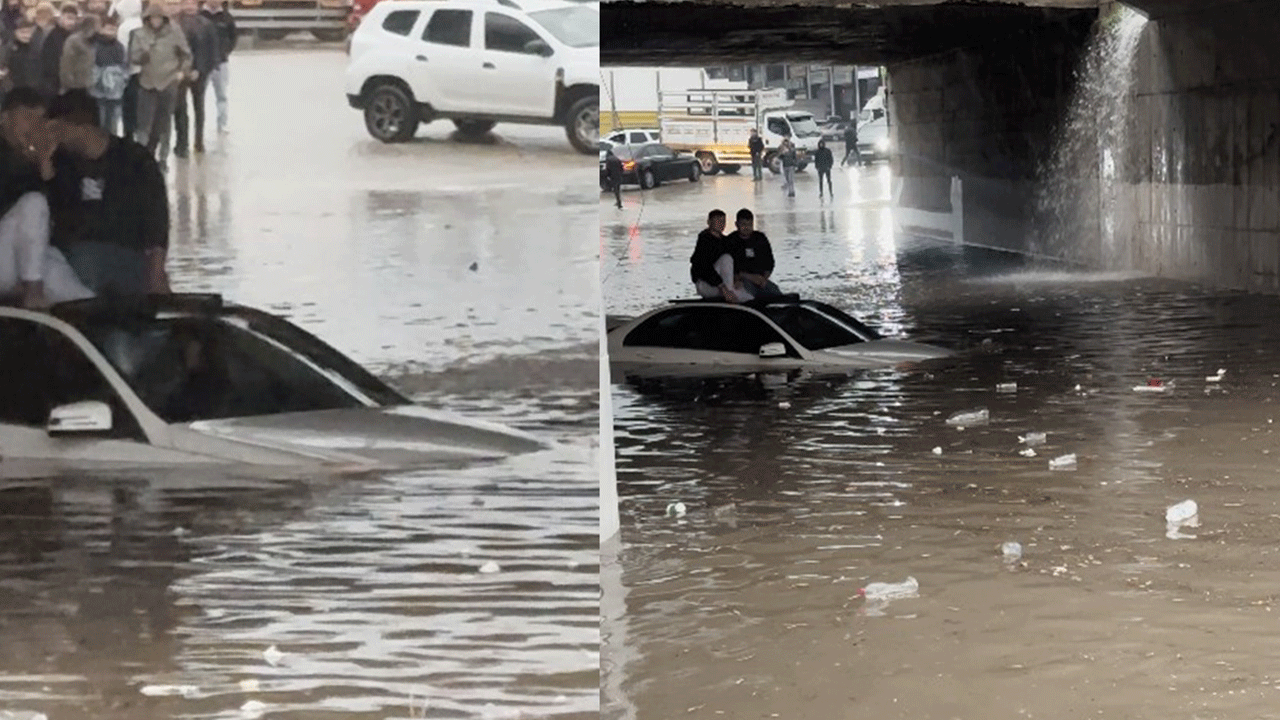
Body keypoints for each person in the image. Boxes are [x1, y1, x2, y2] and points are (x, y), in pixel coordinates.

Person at [44, 89, 170, 295]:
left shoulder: (134, 159)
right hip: (73, 255)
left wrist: (156, 272)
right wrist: (45, 167)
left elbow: (157, 220)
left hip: (126, 254)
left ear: (75, 126)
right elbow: (55, 216)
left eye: (57, 130)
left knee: (86, 261)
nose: (55, 138)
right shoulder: (60, 163)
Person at [0, 87, 94, 308]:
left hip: (26, 260)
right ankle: (33, 293)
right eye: (27, 116)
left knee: (72, 289)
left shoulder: (47, 160)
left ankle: (100, 331)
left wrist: (44, 164)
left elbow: (62, 218)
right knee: (33, 203)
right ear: (4, 118)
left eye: (40, 118)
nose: (34, 125)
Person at [130, 0, 189, 168]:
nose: (155, 21)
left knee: (164, 123)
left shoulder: (175, 32)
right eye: (152, 18)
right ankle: (143, 156)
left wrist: (182, 72)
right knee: (144, 124)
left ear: (164, 19)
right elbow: (133, 57)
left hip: (168, 81)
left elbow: (186, 55)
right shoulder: (139, 34)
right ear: (147, 19)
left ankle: (163, 157)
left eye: (159, 18)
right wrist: (143, 55)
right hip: (147, 83)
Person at [172, 0, 216, 156]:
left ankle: (199, 141)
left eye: (193, 3)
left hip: (200, 72)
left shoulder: (206, 24)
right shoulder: (175, 24)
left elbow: (211, 50)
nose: (189, 7)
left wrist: (200, 69)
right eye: (186, 3)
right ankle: (181, 143)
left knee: (199, 107)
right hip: (180, 72)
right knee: (180, 108)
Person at [689, 209, 748, 303]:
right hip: (707, 284)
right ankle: (729, 293)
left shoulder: (725, 242)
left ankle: (732, 294)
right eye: (718, 221)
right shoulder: (704, 241)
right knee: (726, 258)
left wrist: (737, 278)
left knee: (747, 295)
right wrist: (723, 288)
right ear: (709, 222)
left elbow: (736, 262)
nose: (721, 224)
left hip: (722, 284)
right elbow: (704, 268)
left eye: (723, 221)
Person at [724, 208, 781, 298]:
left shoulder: (760, 238)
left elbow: (769, 262)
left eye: (750, 224)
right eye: (743, 224)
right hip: (741, 281)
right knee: (750, 294)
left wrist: (764, 279)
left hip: (760, 280)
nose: (747, 227)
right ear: (736, 224)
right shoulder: (730, 241)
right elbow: (728, 268)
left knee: (776, 292)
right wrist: (744, 277)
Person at [89, 14, 128, 134]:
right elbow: (90, 66)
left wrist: (121, 79)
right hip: (98, 92)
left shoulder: (119, 47)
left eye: (114, 29)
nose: (111, 32)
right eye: (108, 29)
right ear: (101, 29)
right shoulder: (94, 45)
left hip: (115, 93)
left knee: (113, 125)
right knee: (99, 123)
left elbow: (125, 67)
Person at [198, 0, 231, 134]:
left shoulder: (226, 17)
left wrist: (224, 52)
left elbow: (233, 37)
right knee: (199, 97)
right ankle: (199, 126)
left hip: (221, 62)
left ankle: (222, 124)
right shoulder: (199, 15)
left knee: (222, 95)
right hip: (203, 63)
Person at [114, 0, 142, 139]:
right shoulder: (142, 24)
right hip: (143, 72)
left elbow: (122, 50)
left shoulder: (124, 27)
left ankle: (128, 135)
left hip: (129, 72)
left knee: (128, 108)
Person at [37, 2, 77, 98]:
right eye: (69, 18)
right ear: (61, 18)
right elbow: (47, 61)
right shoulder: (52, 35)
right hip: (53, 85)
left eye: (74, 19)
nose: (71, 22)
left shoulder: (76, 37)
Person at [57, 11, 98, 93]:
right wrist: (69, 84)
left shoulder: (94, 40)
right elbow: (66, 63)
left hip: (89, 84)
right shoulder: (74, 40)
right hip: (75, 86)